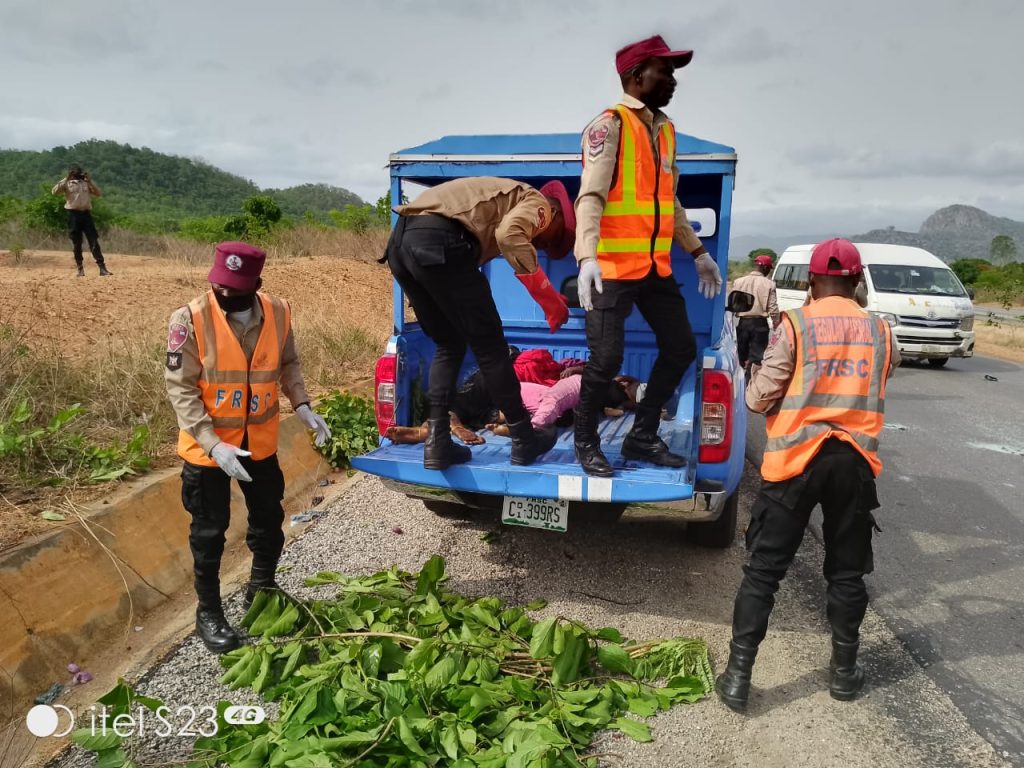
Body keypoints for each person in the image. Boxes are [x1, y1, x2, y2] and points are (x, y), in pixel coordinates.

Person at [716, 239, 901, 712]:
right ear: (857, 282)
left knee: (763, 573)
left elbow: (757, 398)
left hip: (796, 461)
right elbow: (886, 372)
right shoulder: (881, 330)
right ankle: (844, 675)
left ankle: (738, 678)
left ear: (811, 281)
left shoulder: (795, 326)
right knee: (847, 573)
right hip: (853, 463)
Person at [164, 241, 332, 654]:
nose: (224, 293)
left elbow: (288, 363)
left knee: (269, 519)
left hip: (258, 443)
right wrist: (213, 444)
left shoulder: (278, 312)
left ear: (256, 284)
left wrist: (303, 404)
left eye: (234, 288)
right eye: (219, 285)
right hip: (207, 451)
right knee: (209, 533)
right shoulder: (190, 318)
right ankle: (209, 612)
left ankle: (262, 590)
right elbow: (181, 388)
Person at [573, 35, 723, 478]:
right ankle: (585, 441)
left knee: (680, 348)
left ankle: (641, 434)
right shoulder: (611, 125)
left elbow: (668, 203)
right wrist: (586, 257)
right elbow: (590, 195)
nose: (673, 81)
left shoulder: (665, 131)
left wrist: (698, 252)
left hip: (654, 268)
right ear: (638, 76)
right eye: (666, 72)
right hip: (612, 268)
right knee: (606, 360)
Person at [383, 177, 576, 470]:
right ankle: (525, 438)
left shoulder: (502, 200)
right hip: (440, 241)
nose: (544, 244)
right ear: (556, 213)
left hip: (401, 245)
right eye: (553, 238)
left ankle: (438, 444)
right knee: (493, 350)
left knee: (449, 344)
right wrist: (549, 298)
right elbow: (510, 235)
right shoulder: (539, 203)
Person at [51, 165, 111, 277]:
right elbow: (54, 192)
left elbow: (98, 193)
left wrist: (90, 181)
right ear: (71, 173)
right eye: (75, 173)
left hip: (86, 214)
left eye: (79, 172)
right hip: (73, 215)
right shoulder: (67, 183)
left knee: (93, 241)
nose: (78, 174)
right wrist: (66, 178)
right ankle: (80, 269)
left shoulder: (86, 183)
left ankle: (102, 268)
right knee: (77, 243)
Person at [733, 254, 780, 376]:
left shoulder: (738, 282)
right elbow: (773, 307)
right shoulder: (769, 284)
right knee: (757, 359)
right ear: (765, 268)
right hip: (760, 325)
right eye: (769, 269)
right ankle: (752, 380)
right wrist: (776, 324)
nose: (769, 271)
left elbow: (733, 304)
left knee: (741, 355)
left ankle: (742, 378)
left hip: (743, 323)